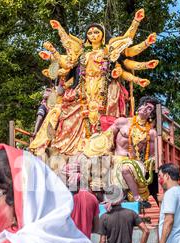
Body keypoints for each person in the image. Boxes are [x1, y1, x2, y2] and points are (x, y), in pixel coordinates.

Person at [30, 10, 158, 156]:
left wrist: (137, 23)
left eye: (96, 32)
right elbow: (66, 61)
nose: (93, 35)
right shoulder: (81, 53)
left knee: (104, 113)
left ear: (103, 35)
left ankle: (102, 146)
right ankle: (68, 146)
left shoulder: (108, 51)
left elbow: (128, 49)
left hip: (104, 89)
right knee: (63, 112)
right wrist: (57, 37)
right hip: (83, 89)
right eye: (90, 33)